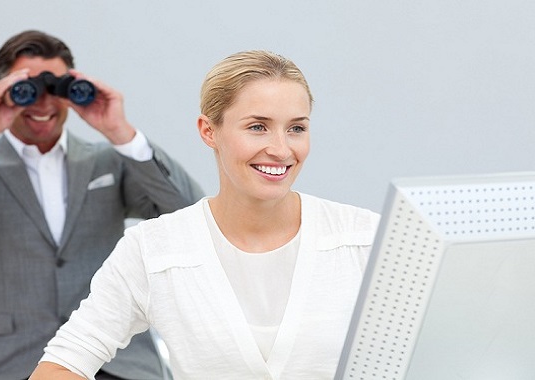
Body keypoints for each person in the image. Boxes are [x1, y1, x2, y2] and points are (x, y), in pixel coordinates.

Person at [29, 50, 381, 380]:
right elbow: (64, 362)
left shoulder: (365, 239)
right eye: (258, 126)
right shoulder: (153, 250)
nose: (281, 149)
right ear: (209, 131)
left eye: (296, 128)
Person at [0, 30, 203, 380]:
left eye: (55, 88)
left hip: (111, 360)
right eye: (28, 89)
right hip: (8, 364)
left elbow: (190, 213)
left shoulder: (107, 161)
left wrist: (121, 133)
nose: (43, 103)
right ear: (2, 91)